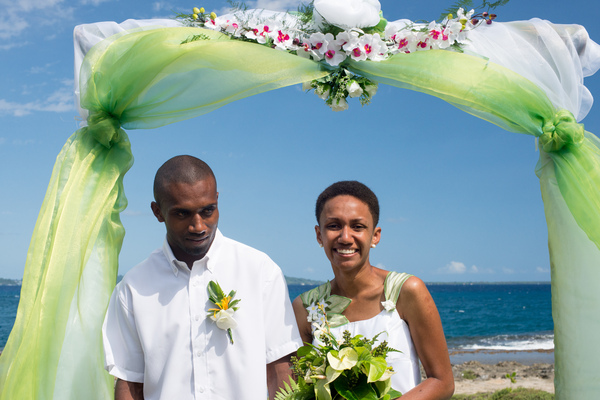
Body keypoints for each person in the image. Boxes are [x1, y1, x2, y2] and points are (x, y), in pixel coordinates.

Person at [102, 155, 301, 400]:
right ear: (157, 212)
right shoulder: (133, 288)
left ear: (217, 200)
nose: (198, 226)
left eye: (207, 211)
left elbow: (280, 368)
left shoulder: (260, 272)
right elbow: (130, 383)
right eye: (182, 214)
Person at [292, 181, 455, 399]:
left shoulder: (406, 291)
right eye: (333, 226)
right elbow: (301, 387)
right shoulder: (306, 307)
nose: (345, 237)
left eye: (358, 226)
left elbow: (442, 382)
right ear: (319, 235)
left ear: (375, 235)